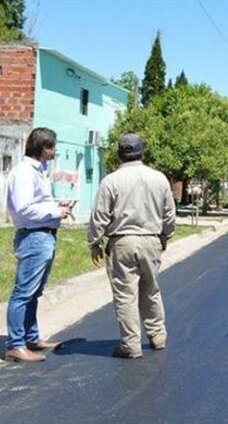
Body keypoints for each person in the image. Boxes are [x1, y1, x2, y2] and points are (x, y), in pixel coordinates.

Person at [87, 134, 176, 359]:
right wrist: (166, 234)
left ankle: (131, 345)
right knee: (151, 290)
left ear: (119, 154)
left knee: (125, 294)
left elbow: (100, 215)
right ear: (142, 153)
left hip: (122, 242)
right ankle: (157, 336)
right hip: (151, 240)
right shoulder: (159, 178)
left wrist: (95, 242)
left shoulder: (111, 181)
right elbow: (169, 213)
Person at [4, 127, 74, 363]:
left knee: (34, 292)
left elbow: (36, 203)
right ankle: (15, 344)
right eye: (53, 147)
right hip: (34, 236)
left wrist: (56, 206)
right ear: (43, 148)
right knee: (23, 292)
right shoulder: (25, 172)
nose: (55, 151)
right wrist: (55, 210)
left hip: (43, 235)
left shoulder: (38, 171)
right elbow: (24, 207)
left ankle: (31, 338)